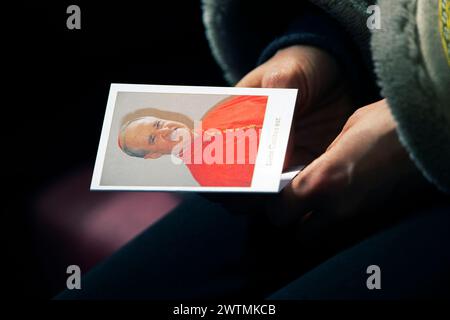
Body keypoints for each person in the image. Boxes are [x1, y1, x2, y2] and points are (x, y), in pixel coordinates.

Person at [57, 0, 450, 299]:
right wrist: (328, 44)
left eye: (158, 126)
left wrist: (426, 115)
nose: (166, 134)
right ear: (155, 158)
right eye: (154, 142)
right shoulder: (217, 153)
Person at [118, 95, 267, 187]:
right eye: (152, 139)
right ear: (154, 155)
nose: (165, 130)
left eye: (158, 124)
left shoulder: (217, 112)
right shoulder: (211, 182)